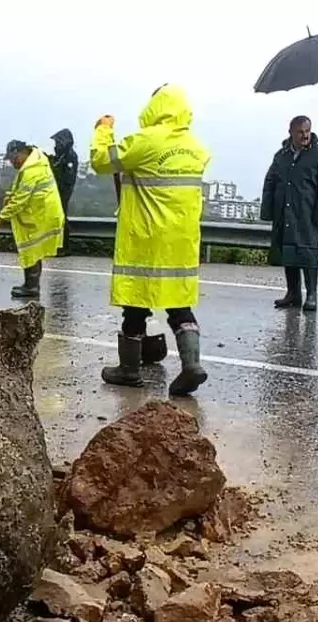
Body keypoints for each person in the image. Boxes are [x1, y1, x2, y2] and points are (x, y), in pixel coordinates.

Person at [89, 84, 211, 396]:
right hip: (181, 240)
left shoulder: (146, 141)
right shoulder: (196, 148)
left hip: (147, 236)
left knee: (136, 303)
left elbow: (103, 160)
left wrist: (103, 130)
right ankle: (191, 364)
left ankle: (129, 369)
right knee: (178, 304)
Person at [261, 115, 318, 312]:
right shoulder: (281, 155)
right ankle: (293, 293)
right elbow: (270, 182)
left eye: (307, 131)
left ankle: (311, 295)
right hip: (284, 212)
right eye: (300, 132)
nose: (304, 136)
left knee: (308, 253)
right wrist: (268, 210)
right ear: (291, 132)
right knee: (289, 252)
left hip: (307, 213)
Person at [0, 140, 65, 298]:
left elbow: (20, 199)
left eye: (13, 159)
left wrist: (0, 217)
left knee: (31, 248)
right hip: (41, 213)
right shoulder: (32, 165)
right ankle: (31, 285)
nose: (12, 163)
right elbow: (19, 188)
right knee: (34, 249)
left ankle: (31, 287)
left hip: (42, 215)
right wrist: (9, 196)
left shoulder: (31, 170)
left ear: (19, 153)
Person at [48, 128, 78, 240]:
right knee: (58, 215)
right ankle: (58, 244)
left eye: (58, 142)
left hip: (63, 190)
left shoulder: (70, 156)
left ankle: (63, 244)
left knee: (61, 215)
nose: (56, 145)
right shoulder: (62, 155)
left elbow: (67, 177)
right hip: (58, 189)